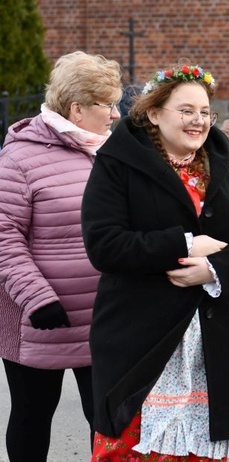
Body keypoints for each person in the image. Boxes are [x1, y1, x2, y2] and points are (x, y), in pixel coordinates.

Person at [80, 62, 229, 461]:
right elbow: (104, 244)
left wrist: (214, 268)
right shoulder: (118, 162)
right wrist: (185, 243)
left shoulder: (227, 161)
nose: (198, 121)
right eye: (186, 110)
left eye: (205, 112)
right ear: (154, 113)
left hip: (214, 344)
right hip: (141, 342)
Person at [0, 51, 121, 462]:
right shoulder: (19, 158)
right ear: (77, 108)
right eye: (107, 104)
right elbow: (5, 237)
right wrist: (37, 298)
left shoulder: (111, 153)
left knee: (107, 423)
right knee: (33, 419)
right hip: (40, 320)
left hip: (102, 316)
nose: (116, 114)